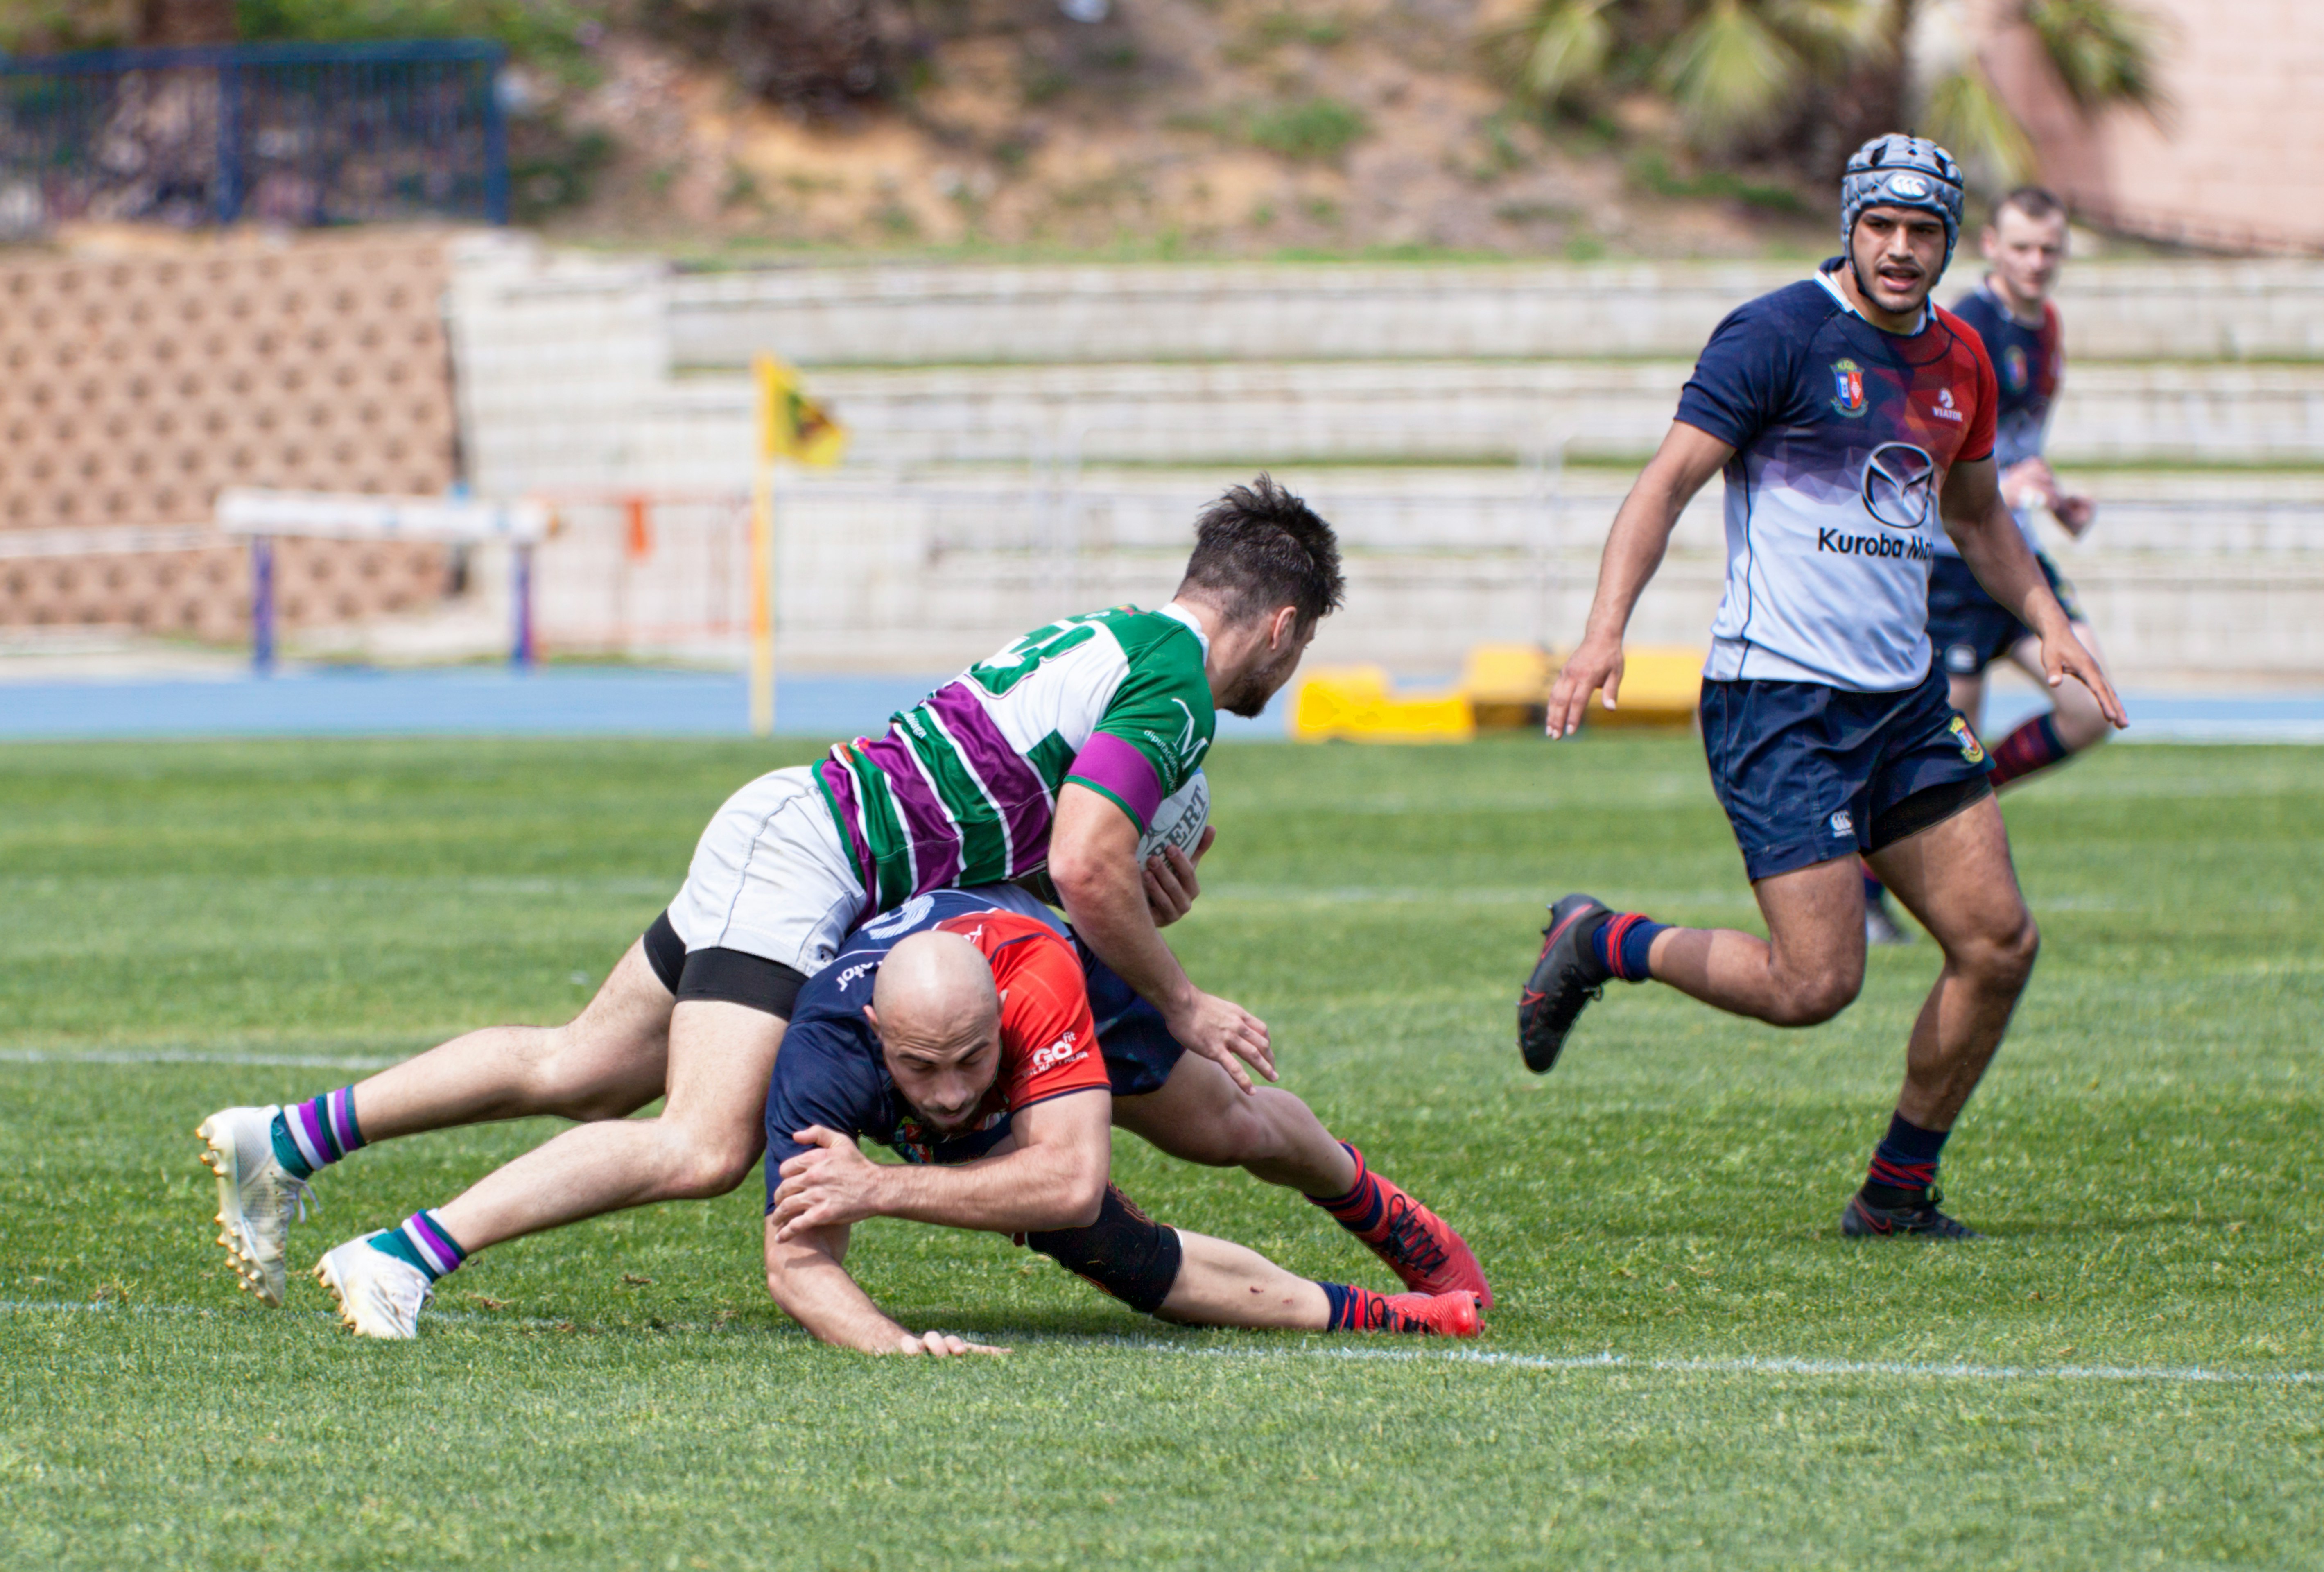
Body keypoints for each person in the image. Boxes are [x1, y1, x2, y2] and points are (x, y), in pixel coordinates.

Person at [197, 475, 1346, 1322]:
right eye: (1295, 659)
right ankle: (400, 1256)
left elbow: (1047, 851)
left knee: (584, 1069)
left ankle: (286, 1141)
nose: (1282, 683)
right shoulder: (1177, 684)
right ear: (1283, 627)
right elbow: (1089, 869)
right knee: (700, 1145)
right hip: (814, 863)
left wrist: (1119, 890)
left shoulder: (1107, 635)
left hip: (798, 830)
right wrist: (1182, 1000)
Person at [1517, 136, 2125, 1240]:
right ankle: (1603, 941)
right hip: (1779, 703)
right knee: (1815, 986)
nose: (1900, 250)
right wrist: (1602, 633)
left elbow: (1979, 517)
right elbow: (1666, 487)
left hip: (1901, 706)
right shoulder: (1775, 335)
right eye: (1882, 226)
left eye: (1923, 231)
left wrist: (2048, 626)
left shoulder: (1962, 360)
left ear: (1950, 242)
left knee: (1998, 944)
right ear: (1851, 224)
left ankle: (1897, 1193)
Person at [753, 887, 1488, 1353]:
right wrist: (896, 1349)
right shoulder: (822, 1052)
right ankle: (1381, 1315)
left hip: (1056, 968)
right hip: (962, 994)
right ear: (878, 1031)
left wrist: (878, 1186)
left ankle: (1381, 1212)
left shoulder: (1034, 983)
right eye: (919, 1067)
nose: (948, 1096)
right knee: (1103, 1242)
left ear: (1003, 1025)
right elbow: (794, 1265)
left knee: (1228, 1128)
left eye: (972, 1061)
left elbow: (1070, 1180)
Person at [1862, 186, 2113, 945]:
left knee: (2091, 707)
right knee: (1952, 736)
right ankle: (1873, 882)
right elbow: (1926, 459)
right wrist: (2008, 484)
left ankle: (1949, 809)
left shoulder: (2048, 328)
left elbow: (2013, 442)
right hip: (1950, 564)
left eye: (2050, 249)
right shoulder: (1960, 328)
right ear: (1993, 249)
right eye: (2023, 248)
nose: (2038, 263)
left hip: (2014, 555)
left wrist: (2051, 495)